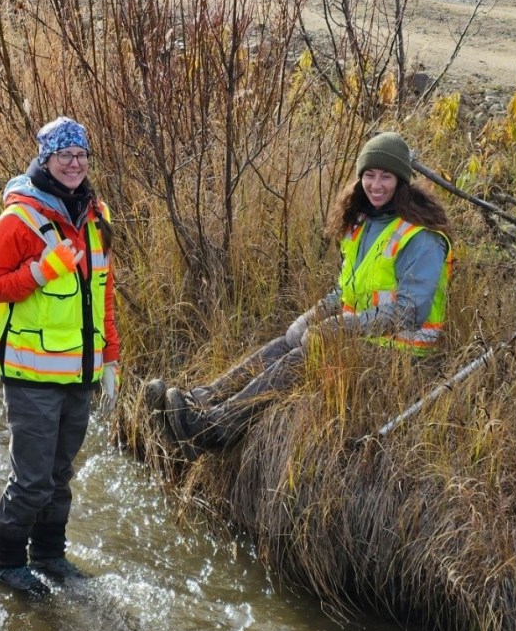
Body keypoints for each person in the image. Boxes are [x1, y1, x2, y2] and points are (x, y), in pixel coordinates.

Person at [146, 131, 451, 449]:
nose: (376, 185)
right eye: (369, 175)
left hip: (400, 357)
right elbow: (346, 292)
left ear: (402, 181)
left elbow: (411, 310)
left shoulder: (421, 238)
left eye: (386, 177)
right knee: (286, 343)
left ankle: (215, 430)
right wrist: (317, 314)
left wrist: (345, 327)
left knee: (304, 356)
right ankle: (200, 402)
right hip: (366, 338)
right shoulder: (365, 224)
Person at [0, 116, 120, 597]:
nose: (75, 163)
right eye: (64, 155)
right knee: (33, 481)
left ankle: (51, 558)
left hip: (80, 372)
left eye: (81, 155)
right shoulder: (19, 219)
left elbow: (104, 293)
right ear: (46, 159)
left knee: (60, 478)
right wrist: (38, 271)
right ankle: (9, 565)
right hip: (30, 374)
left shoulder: (97, 216)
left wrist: (110, 358)